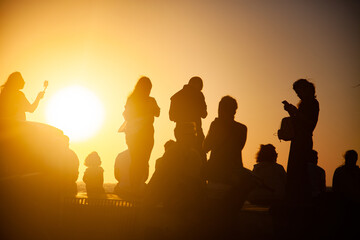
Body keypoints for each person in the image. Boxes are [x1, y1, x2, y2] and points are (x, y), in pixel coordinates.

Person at [282, 79, 319, 204]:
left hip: (304, 141)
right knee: (294, 172)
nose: (298, 95)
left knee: (300, 172)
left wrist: (294, 112)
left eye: (299, 92)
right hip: (298, 141)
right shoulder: (304, 105)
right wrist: (292, 112)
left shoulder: (313, 103)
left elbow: (309, 124)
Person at [123, 76, 160, 193]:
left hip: (134, 134)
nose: (149, 90)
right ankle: (137, 187)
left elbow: (126, 115)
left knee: (137, 161)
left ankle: (135, 187)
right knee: (142, 161)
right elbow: (157, 112)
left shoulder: (132, 99)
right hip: (144, 134)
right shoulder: (149, 100)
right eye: (148, 88)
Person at [169, 76, 207, 155]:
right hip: (195, 132)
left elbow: (171, 117)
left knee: (182, 158)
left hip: (180, 131)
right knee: (199, 159)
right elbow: (204, 114)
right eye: (200, 87)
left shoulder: (176, 96)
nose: (200, 90)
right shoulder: (198, 94)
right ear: (197, 85)